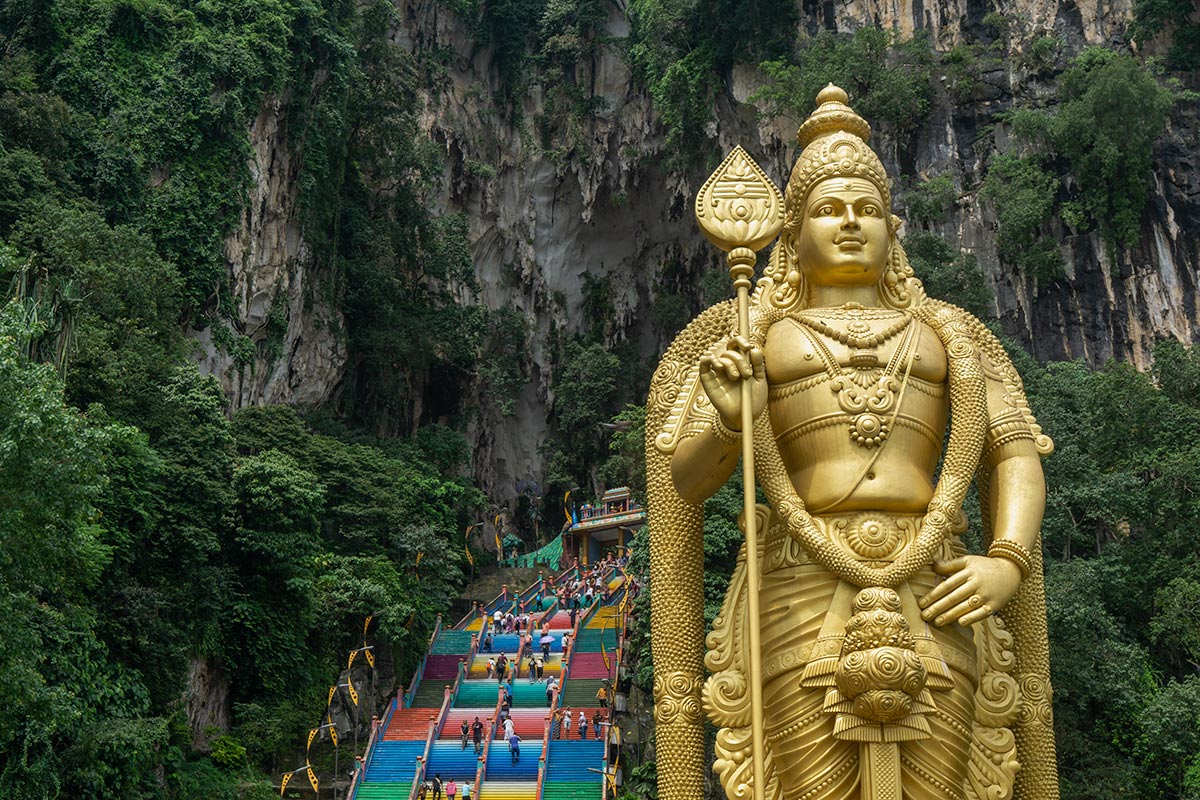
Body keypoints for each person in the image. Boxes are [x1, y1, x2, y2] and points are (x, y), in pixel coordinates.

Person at [646, 85, 1057, 800]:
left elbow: (1013, 450)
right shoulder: (751, 337)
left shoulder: (950, 336)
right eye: (828, 209)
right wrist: (730, 420)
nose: (849, 223)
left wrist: (1009, 560)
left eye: (867, 210)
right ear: (793, 233)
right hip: (799, 583)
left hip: (935, 584)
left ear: (893, 228)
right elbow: (685, 481)